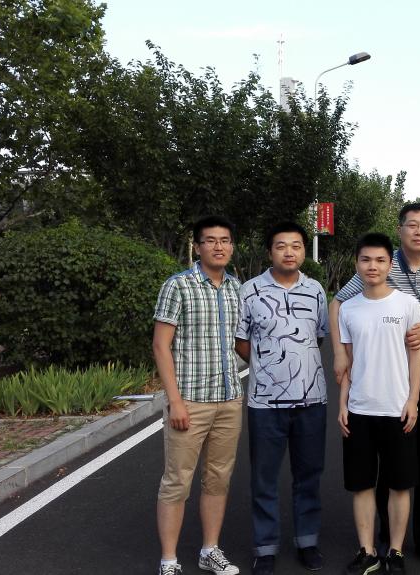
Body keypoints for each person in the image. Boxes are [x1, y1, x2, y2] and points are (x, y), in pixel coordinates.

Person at [330, 202, 420, 569]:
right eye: (412, 225)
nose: (419, 231)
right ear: (400, 229)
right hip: (386, 372)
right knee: (388, 455)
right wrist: (340, 353)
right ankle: (382, 540)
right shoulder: (380, 261)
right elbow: (340, 304)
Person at [234, 221, 328, 575]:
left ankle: (307, 541)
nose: (289, 252)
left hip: (311, 399)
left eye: (296, 245)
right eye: (281, 246)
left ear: (304, 251)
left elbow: (318, 336)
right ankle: (265, 547)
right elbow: (242, 341)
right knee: (264, 478)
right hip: (265, 403)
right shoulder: (250, 291)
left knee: (309, 475)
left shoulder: (316, 290)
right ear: (269, 251)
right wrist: (268, 367)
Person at [153, 215, 243, 575]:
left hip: (229, 399)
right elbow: (161, 346)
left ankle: (210, 550)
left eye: (224, 240)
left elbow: (242, 343)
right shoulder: (178, 285)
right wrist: (174, 400)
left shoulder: (237, 288)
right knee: (177, 481)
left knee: (218, 478)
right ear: (197, 246)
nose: (218, 246)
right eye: (210, 240)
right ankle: (169, 560)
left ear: (232, 246)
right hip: (189, 400)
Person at [337, 232, 420, 575]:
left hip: (397, 410)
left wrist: (413, 400)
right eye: (365, 260)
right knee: (361, 484)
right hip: (359, 410)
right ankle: (367, 551)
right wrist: (343, 405)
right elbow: (349, 362)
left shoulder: (407, 305)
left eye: (379, 260)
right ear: (356, 263)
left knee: (399, 485)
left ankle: (396, 552)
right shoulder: (348, 308)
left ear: (390, 264)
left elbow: (416, 357)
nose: (372, 266)